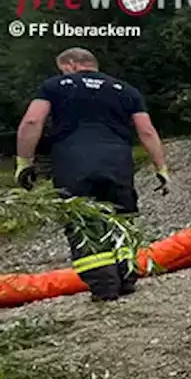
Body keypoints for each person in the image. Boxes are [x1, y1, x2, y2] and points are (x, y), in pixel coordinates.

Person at [13, 47, 170, 302]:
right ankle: (127, 278)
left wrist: (24, 162)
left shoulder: (55, 86)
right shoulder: (126, 90)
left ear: (71, 64)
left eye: (62, 68)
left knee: (83, 221)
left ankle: (104, 286)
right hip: (118, 162)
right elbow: (147, 131)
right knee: (121, 219)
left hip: (73, 162)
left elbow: (31, 123)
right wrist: (161, 168)